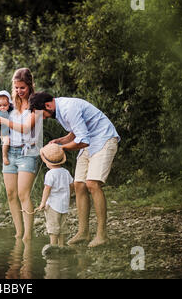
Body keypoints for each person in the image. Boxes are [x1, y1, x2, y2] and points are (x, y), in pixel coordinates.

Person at [28, 92, 120, 247]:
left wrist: (61, 148)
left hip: (104, 138)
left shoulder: (68, 108)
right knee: (79, 185)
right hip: (90, 141)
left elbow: (83, 140)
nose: (42, 118)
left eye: (42, 115)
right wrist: (59, 141)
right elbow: (76, 132)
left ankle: (101, 235)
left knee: (92, 184)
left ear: (48, 105)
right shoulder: (59, 111)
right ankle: (83, 232)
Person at [0, 68, 38, 241]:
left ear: (30, 85)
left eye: (22, 87)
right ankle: (18, 232)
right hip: (10, 152)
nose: (19, 91)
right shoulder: (10, 105)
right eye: (16, 88)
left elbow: (27, 128)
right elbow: (3, 129)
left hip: (27, 152)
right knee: (11, 194)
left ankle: (27, 235)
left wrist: (4, 121)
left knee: (23, 194)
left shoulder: (35, 104)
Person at [35, 143, 74, 251]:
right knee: (62, 225)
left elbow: (47, 189)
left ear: (46, 161)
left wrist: (43, 203)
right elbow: (72, 185)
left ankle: (53, 246)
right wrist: (68, 195)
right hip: (64, 204)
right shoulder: (66, 172)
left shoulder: (50, 174)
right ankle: (62, 246)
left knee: (53, 226)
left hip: (53, 205)